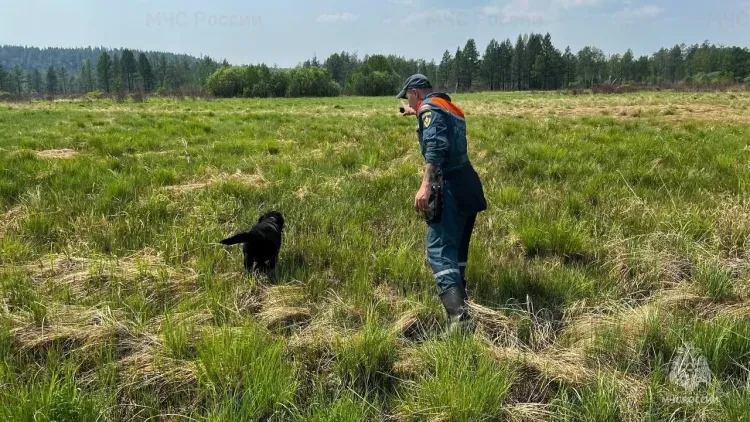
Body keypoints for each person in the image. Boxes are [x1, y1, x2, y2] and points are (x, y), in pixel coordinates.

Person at [397, 74, 487, 333]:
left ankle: (460, 321)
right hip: (468, 183)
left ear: (415, 92)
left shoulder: (428, 108)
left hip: (447, 185)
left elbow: (436, 144)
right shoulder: (449, 106)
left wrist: (426, 185)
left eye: (408, 98)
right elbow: (437, 122)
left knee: (438, 251)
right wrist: (412, 112)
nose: (409, 103)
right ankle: (464, 304)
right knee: (457, 250)